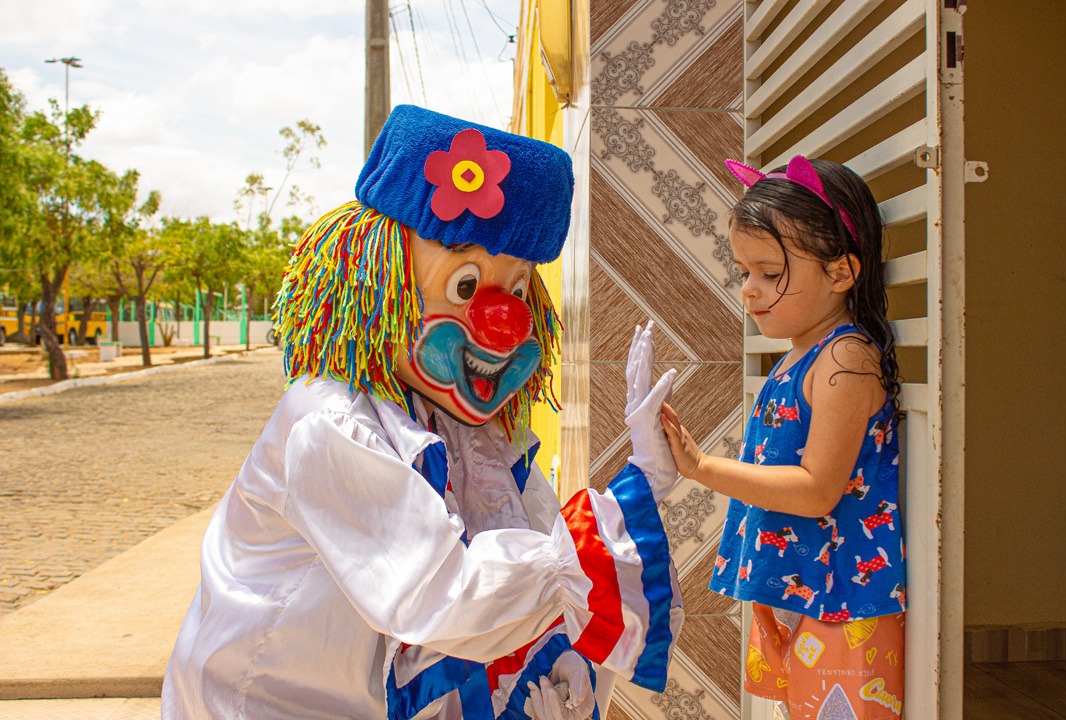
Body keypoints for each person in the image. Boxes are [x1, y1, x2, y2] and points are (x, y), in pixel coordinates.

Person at [162, 105, 682, 720]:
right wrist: (612, 524)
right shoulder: (331, 425)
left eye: (517, 289)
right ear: (375, 276)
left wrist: (567, 635)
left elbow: (529, 539)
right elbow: (440, 596)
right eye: (466, 286)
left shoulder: (467, 430)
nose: (505, 323)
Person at [660, 156, 906, 720]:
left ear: (841, 273)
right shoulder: (802, 355)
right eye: (744, 271)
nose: (750, 290)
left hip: (843, 602)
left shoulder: (845, 358)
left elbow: (817, 489)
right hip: (804, 591)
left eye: (770, 274)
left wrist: (700, 466)